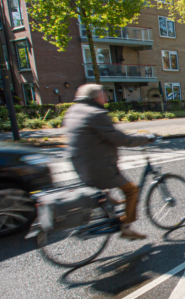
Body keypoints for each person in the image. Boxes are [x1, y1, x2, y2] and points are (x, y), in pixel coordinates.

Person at [65, 84, 155, 240]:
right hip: (99, 167)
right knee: (132, 190)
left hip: (80, 165)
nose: (106, 98)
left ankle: (108, 204)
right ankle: (126, 227)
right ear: (95, 97)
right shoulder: (96, 113)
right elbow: (120, 139)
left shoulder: (73, 111)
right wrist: (146, 139)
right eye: (103, 95)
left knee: (106, 195)